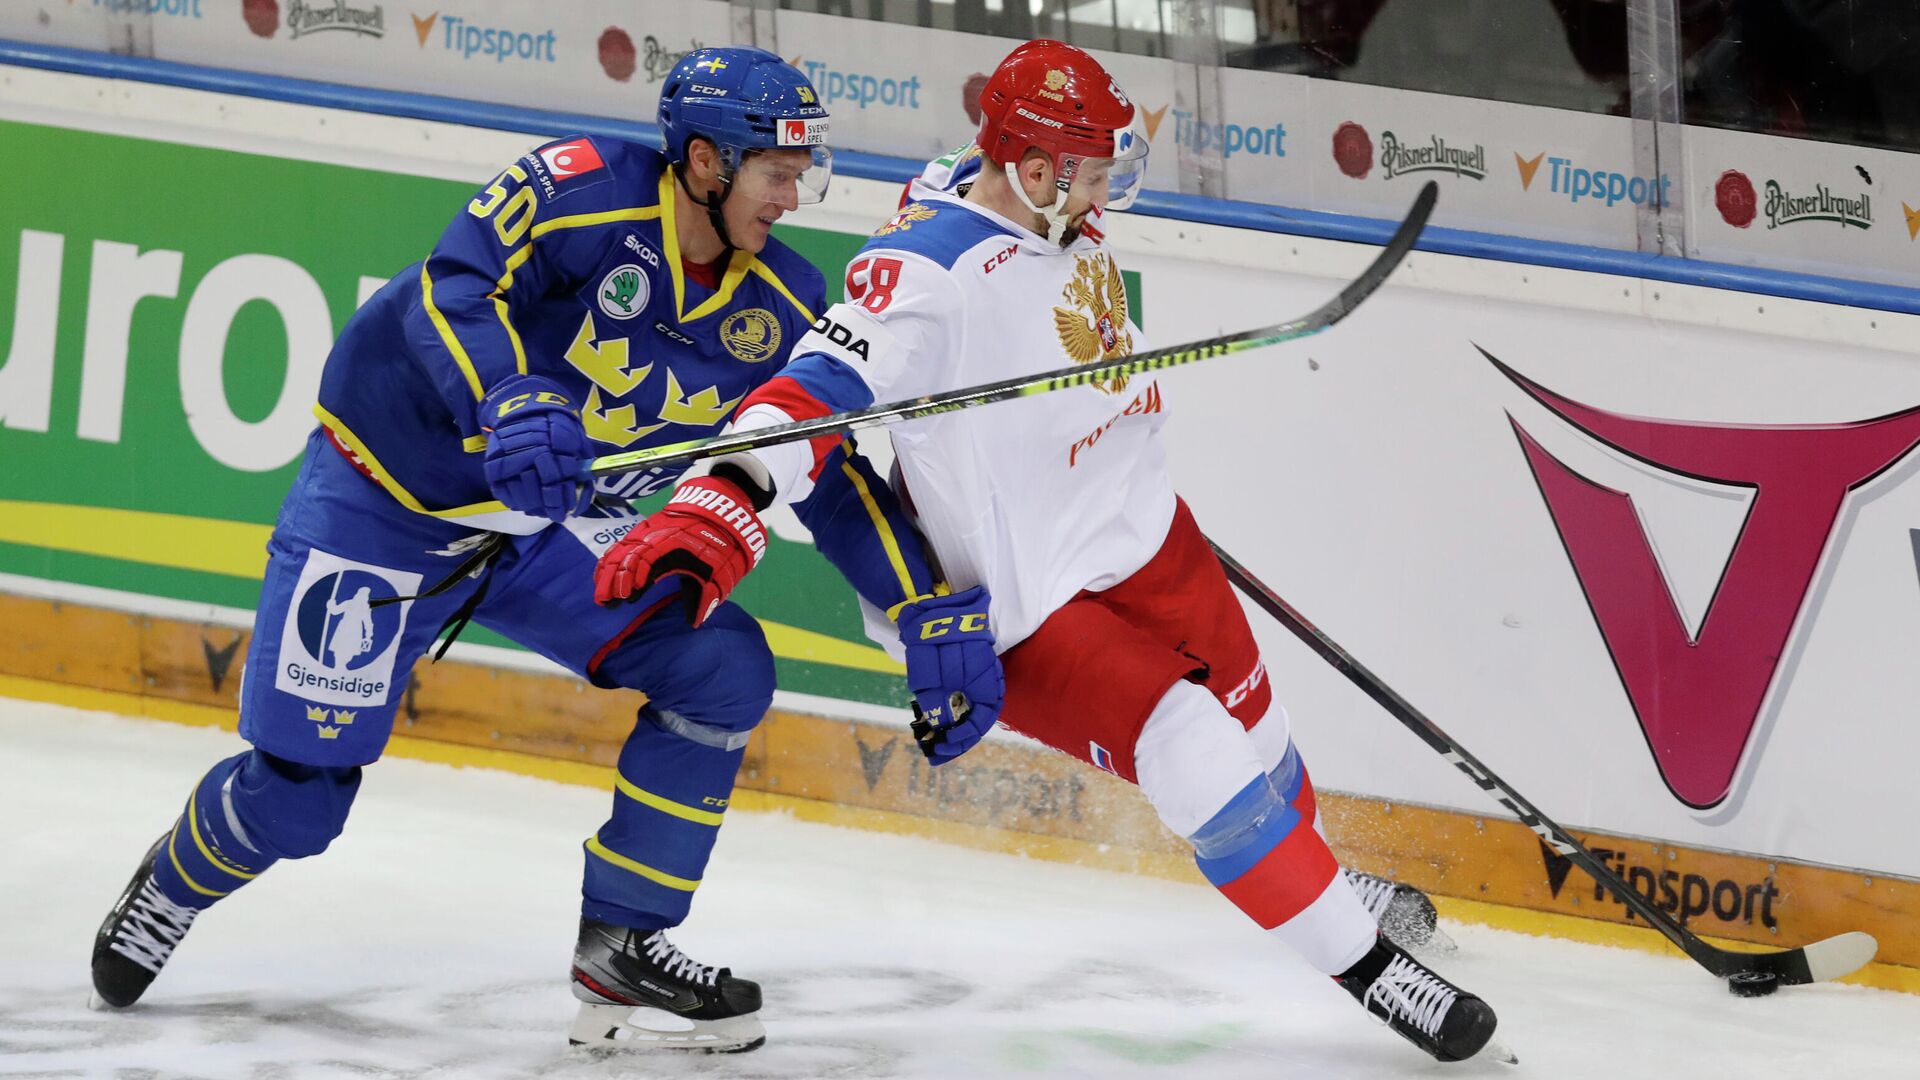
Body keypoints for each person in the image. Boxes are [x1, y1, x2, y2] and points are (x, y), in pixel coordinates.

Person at [598, 39, 1503, 1064]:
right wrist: (718, 508)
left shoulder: (1016, 188)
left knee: (1259, 733)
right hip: (1029, 603)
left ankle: (1322, 879)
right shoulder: (920, 280)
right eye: (1094, 168)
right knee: (1194, 746)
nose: (1109, 186)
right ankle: (1375, 975)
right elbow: (807, 400)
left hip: (1147, 534)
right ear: (1033, 170)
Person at [88, 46, 957, 1054]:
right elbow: (452, 287)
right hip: (387, 506)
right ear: (708, 163)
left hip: (543, 528)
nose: (793, 194)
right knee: (298, 804)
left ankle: (624, 938)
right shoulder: (580, 190)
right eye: (777, 169)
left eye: (803, 171)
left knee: (718, 667)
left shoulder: (783, 305)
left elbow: (825, 466)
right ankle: (171, 884)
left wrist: (920, 602)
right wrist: (508, 397)